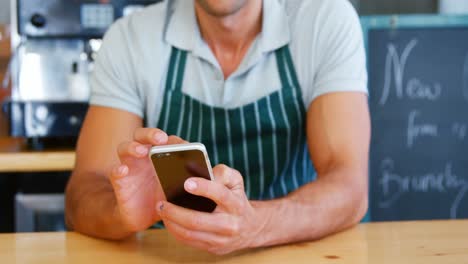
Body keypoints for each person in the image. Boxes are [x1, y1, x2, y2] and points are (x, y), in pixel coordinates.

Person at [65, 0, 370, 255]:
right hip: (170, 256)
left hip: (292, 251)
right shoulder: (130, 39)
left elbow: (350, 186)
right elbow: (83, 191)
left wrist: (257, 224)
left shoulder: (324, 21)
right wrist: (121, 214)